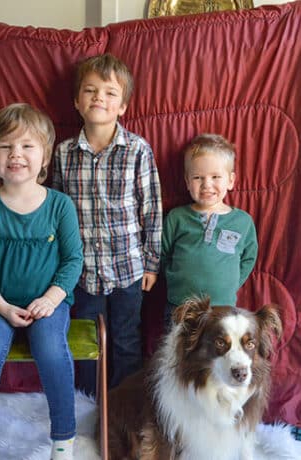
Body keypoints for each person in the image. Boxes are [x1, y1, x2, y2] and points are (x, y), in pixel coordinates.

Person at [0, 103, 83, 460]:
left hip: (48, 303)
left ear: (45, 155)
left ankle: (63, 441)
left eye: (27, 146)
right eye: (5, 146)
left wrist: (50, 300)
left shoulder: (60, 206)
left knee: (51, 350)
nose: (16, 154)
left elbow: (73, 260)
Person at [53, 53, 162, 395]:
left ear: (123, 106)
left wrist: (152, 263)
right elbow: (56, 210)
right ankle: (89, 405)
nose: (99, 97)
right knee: (86, 341)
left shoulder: (138, 150)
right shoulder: (63, 152)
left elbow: (152, 210)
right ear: (76, 101)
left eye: (109, 92)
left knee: (126, 339)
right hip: (82, 272)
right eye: (90, 90)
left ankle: (123, 404)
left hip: (128, 269)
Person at [161, 133, 258, 327]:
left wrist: (230, 284)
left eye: (215, 177)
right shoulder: (176, 217)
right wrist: (176, 278)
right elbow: (163, 254)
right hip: (180, 306)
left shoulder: (242, 221)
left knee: (217, 356)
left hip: (222, 309)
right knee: (176, 354)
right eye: (198, 177)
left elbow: (248, 258)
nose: (207, 184)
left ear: (230, 180)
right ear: (187, 181)